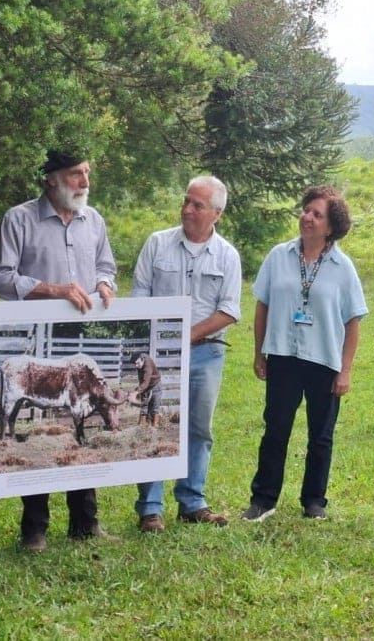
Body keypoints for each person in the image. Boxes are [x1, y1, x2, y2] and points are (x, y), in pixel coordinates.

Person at [0, 147, 117, 550]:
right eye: (76, 174)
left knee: (78, 422)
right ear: (52, 179)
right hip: (39, 341)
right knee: (40, 432)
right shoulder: (18, 219)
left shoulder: (93, 221)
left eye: (87, 173)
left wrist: (106, 285)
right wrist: (51, 290)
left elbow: (106, 266)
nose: (85, 182)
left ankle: (85, 523)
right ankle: (34, 529)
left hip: (80, 340)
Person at [241, 185, 367, 522]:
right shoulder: (278, 256)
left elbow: (353, 320)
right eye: (306, 210)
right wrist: (259, 352)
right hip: (282, 355)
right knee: (275, 430)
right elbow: (262, 306)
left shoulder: (343, 267)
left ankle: (314, 501)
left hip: (324, 361)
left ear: (331, 226)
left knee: (320, 436)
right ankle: (263, 500)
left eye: (317, 214)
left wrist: (346, 370)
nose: (307, 218)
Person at [132, 175, 242, 533]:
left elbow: (229, 310)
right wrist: (162, 340)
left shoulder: (227, 255)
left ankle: (192, 501)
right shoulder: (157, 244)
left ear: (217, 214)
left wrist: (188, 335)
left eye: (198, 205)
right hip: (159, 355)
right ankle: (150, 508)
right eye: (186, 201)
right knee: (154, 424)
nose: (188, 209)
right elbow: (139, 297)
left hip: (206, 354)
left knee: (197, 427)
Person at [132, 352, 162, 427]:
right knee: (144, 404)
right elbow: (141, 380)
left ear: (142, 360)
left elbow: (146, 381)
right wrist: (139, 390)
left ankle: (155, 426)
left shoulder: (147, 364)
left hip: (155, 384)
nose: (136, 366)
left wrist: (136, 392)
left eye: (137, 363)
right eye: (135, 364)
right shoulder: (139, 364)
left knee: (155, 405)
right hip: (145, 386)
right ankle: (142, 425)